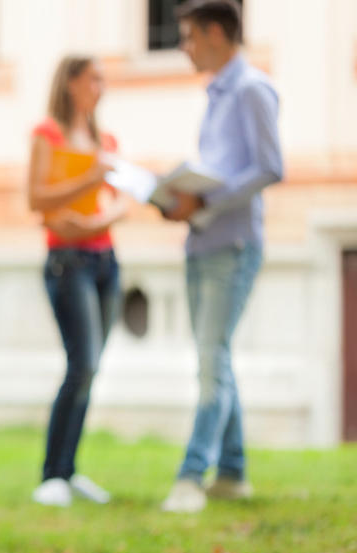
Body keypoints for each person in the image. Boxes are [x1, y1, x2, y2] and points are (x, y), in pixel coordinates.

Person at [160, 0, 283, 513]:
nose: (185, 48)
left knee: (212, 362)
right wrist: (180, 201)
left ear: (214, 33)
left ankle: (192, 476)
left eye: (190, 37)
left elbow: (270, 167)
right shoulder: (215, 94)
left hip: (232, 247)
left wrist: (205, 199)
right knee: (217, 360)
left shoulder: (252, 88)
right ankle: (232, 473)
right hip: (202, 242)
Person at [27, 55, 128, 507]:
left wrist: (97, 219)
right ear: (70, 82)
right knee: (81, 365)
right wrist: (89, 178)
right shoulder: (48, 134)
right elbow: (37, 197)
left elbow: (121, 201)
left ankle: (69, 471)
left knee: (91, 370)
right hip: (67, 262)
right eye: (94, 78)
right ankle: (52, 475)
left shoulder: (107, 139)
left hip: (106, 260)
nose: (102, 86)